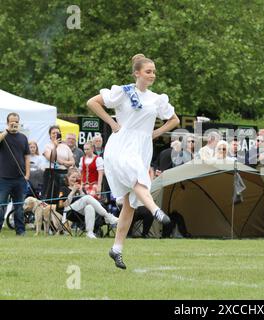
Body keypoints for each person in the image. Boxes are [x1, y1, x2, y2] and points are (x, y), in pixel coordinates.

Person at [87, 53, 180, 269]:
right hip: (121, 144)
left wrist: (156, 134)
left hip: (142, 147)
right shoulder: (124, 92)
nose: (153, 75)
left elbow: (174, 119)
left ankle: (116, 249)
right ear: (137, 73)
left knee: (129, 204)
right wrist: (111, 123)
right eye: (148, 71)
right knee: (138, 178)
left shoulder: (157, 99)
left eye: (154, 71)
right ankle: (156, 210)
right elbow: (92, 102)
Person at [59, 169, 118, 239]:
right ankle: (107, 216)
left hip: (80, 212)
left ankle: (90, 232)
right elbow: (64, 205)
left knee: (89, 207)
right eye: (73, 177)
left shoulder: (81, 189)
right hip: (69, 211)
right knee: (87, 197)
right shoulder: (63, 188)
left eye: (77, 177)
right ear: (68, 178)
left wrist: (81, 191)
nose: (75, 179)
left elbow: (86, 201)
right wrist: (73, 191)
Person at [0, 113, 30, 235]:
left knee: (19, 207)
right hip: (4, 178)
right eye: (12, 122)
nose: (14, 124)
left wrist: (27, 175)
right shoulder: (3, 135)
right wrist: (7, 130)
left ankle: (20, 231)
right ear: (7, 122)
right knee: (1, 205)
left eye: (16, 121)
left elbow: (27, 157)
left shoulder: (23, 137)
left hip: (20, 178)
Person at [42, 125, 75, 204]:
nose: (55, 134)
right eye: (53, 133)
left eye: (57, 132)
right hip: (51, 173)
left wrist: (62, 162)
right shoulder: (47, 146)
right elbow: (51, 159)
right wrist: (55, 146)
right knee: (50, 197)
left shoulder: (65, 146)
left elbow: (72, 162)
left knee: (62, 197)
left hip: (64, 174)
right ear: (50, 135)